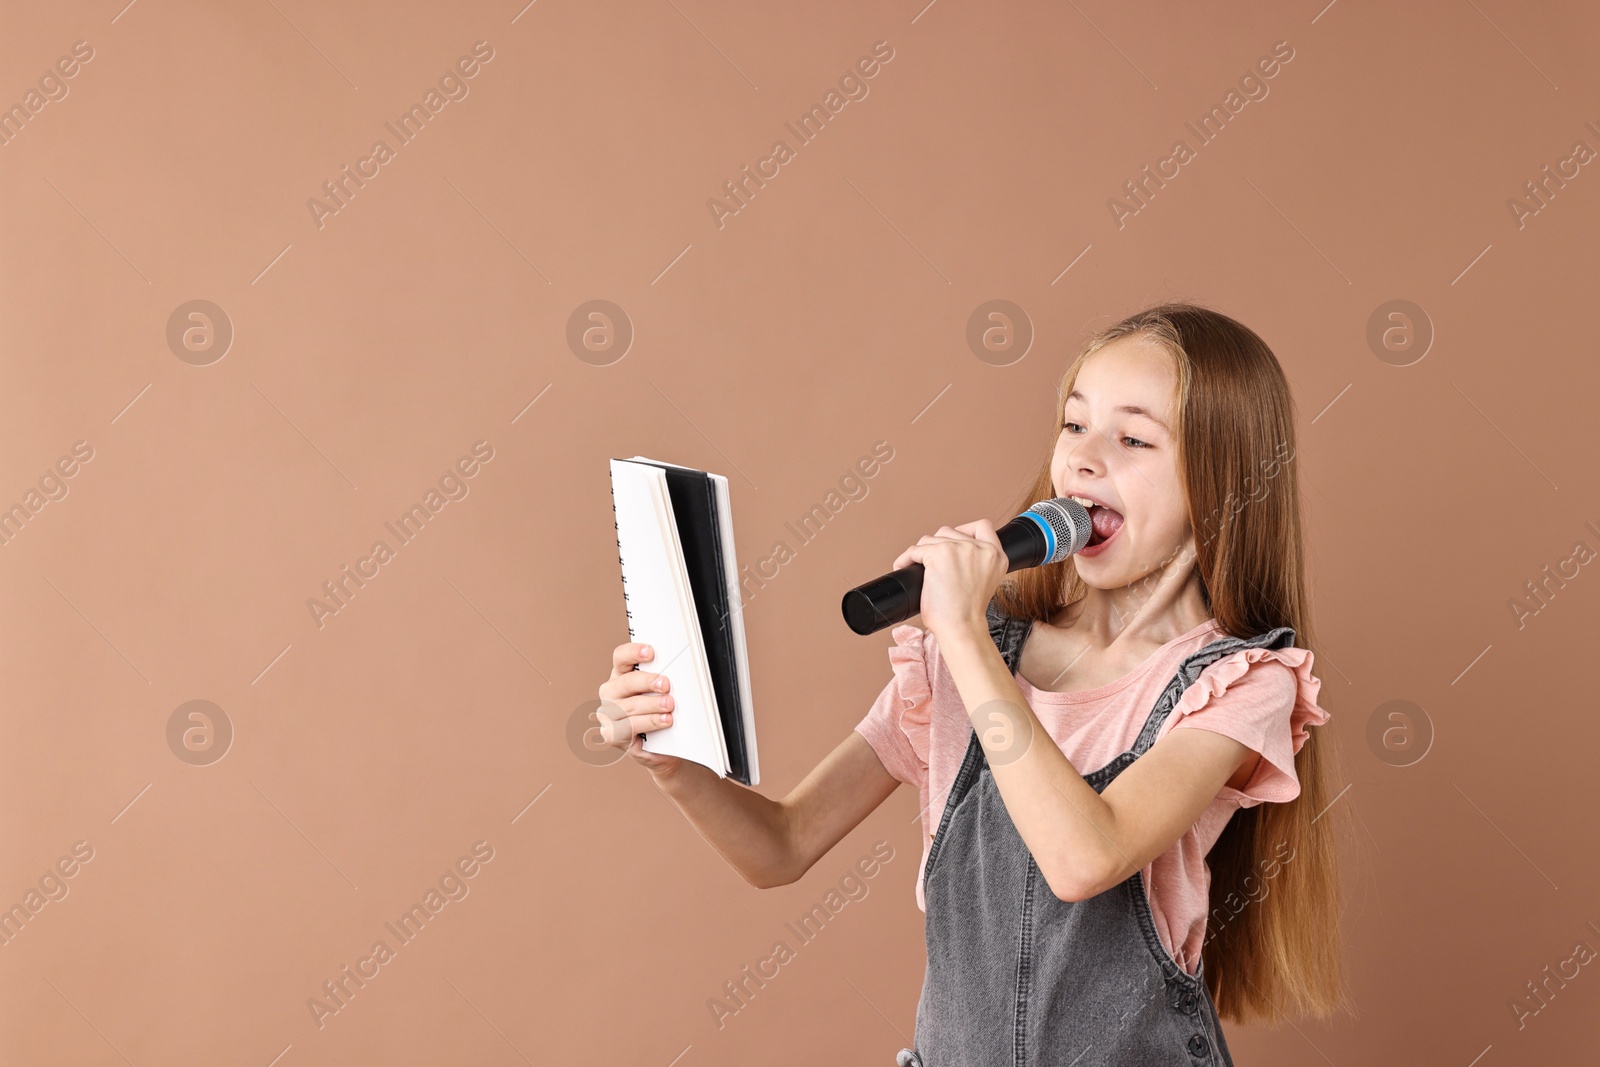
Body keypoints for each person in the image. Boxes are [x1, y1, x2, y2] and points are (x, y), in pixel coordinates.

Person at [595, 303, 1353, 1065]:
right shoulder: (970, 659)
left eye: (1131, 438)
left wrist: (960, 634)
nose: (1084, 461)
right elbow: (781, 845)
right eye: (1072, 423)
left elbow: (1087, 856)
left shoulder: (1237, 684)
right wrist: (673, 762)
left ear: (1221, 481)